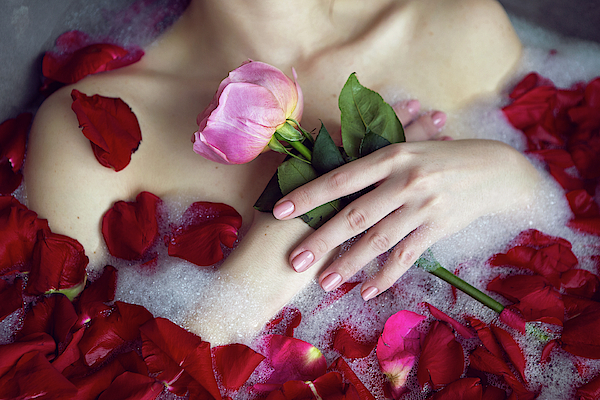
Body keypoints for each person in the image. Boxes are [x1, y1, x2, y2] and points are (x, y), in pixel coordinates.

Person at [24, 0, 540, 344]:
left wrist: (511, 173)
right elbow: (123, 376)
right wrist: (276, 253)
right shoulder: (88, 129)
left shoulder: (461, 23)